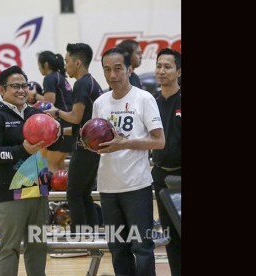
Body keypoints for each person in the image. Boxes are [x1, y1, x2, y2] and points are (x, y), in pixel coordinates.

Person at [0, 65, 59, 276]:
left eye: (24, 85)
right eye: (15, 86)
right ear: (2, 90)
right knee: (10, 248)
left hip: (38, 193)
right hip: (11, 195)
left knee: (37, 247)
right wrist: (21, 150)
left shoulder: (34, 113)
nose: (22, 90)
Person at [92, 47, 165, 276]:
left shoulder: (144, 99)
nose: (112, 75)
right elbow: (95, 140)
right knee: (118, 248)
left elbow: (159, 141)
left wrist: (124, 144)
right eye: (107, 70)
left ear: (130, 69)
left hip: (136, 186)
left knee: (142, 247)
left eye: (118, 69)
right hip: (107, 187)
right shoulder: (100, 103)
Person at [44, 43, 103, 235]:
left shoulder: (82, 83)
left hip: (86, 149)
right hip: (92, 147)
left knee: (73, 193)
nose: (65, 65)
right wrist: (59, 131)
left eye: (67, 61)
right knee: (83, 193)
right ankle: (91, 236)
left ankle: (79, 238)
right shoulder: (91, 82)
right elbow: (82, 123)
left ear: (77, 63)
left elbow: (76, 117)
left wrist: (55, 112)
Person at [150, 47, 181, 276]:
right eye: (159, 66)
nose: (161, 71)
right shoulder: (151, 102)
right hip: (160, 178)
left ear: (179, 71)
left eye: (167, 66)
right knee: (170, 235)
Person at [28, 50, 75, 173]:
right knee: (59, 166)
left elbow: (49, 103)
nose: (38, 68)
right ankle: (64, 191)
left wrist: (34, 95)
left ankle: (55, 192)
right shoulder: (60, 77)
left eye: (39, 65)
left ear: (46, 64)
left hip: (62, 127)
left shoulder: (49, 78)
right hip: (70, 126)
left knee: (50, 165)